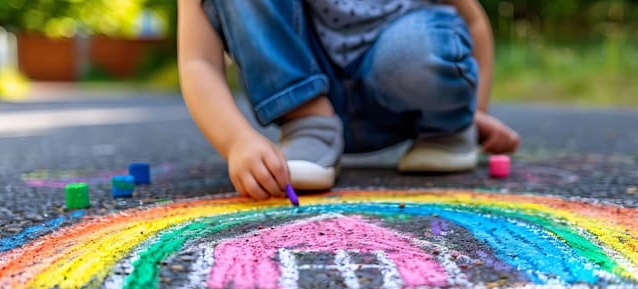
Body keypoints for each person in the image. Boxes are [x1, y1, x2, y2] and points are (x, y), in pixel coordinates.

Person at [178, 0, 520, 200]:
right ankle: (308, 122)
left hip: (408, 96)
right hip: (310, 98)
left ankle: (447, 130)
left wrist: (469, 112)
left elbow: (471, 20)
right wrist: (236, 142)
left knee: (417, 46)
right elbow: (199, 61)